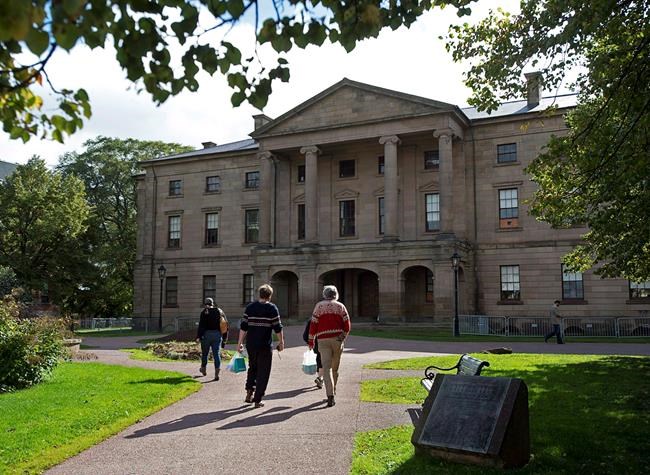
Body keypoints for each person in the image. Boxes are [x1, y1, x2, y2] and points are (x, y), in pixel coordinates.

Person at [237, 284, 285, 408]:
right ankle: (257, 399)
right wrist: (281, 342)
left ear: (259, 294)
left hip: (251, 344)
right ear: (270, 295)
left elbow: (243, 327)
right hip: (264, 345)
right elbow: (278, 327)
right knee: (263, 372)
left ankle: (249, 391)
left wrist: (239, 343)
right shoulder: (272, 308)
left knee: (252, 367)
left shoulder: (250, 307)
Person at [308, 285, 351, 407]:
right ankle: (333, 390)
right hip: (337, 340)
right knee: (335, 368)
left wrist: (311, 341)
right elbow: (347, 325)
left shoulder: (319, 306)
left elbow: (313, 324)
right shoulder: (340, 306)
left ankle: (330, 395)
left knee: (326, 368)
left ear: (324, 294)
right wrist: (342, 337)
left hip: (323, 340)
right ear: (335, 294)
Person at [196, 298, 228, 380]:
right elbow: (225, 325)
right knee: (216, 354)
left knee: (205, 353)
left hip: (206, 335)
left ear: (205, 304)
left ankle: (203, 369)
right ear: (213, 304)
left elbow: (201, 326)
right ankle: (217, 373)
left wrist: (198, 336)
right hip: (217, 335)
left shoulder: (204, 312)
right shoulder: (219, 311)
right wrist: (224, 339)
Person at [302, 317, 324, 389]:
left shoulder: (312, 320)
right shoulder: (328, 318)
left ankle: (320, 378)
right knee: (322, 361)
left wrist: (309, 342)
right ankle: (320, 378)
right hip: (326, 343)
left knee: (319, 360)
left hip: (315, 344)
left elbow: (305, 335)